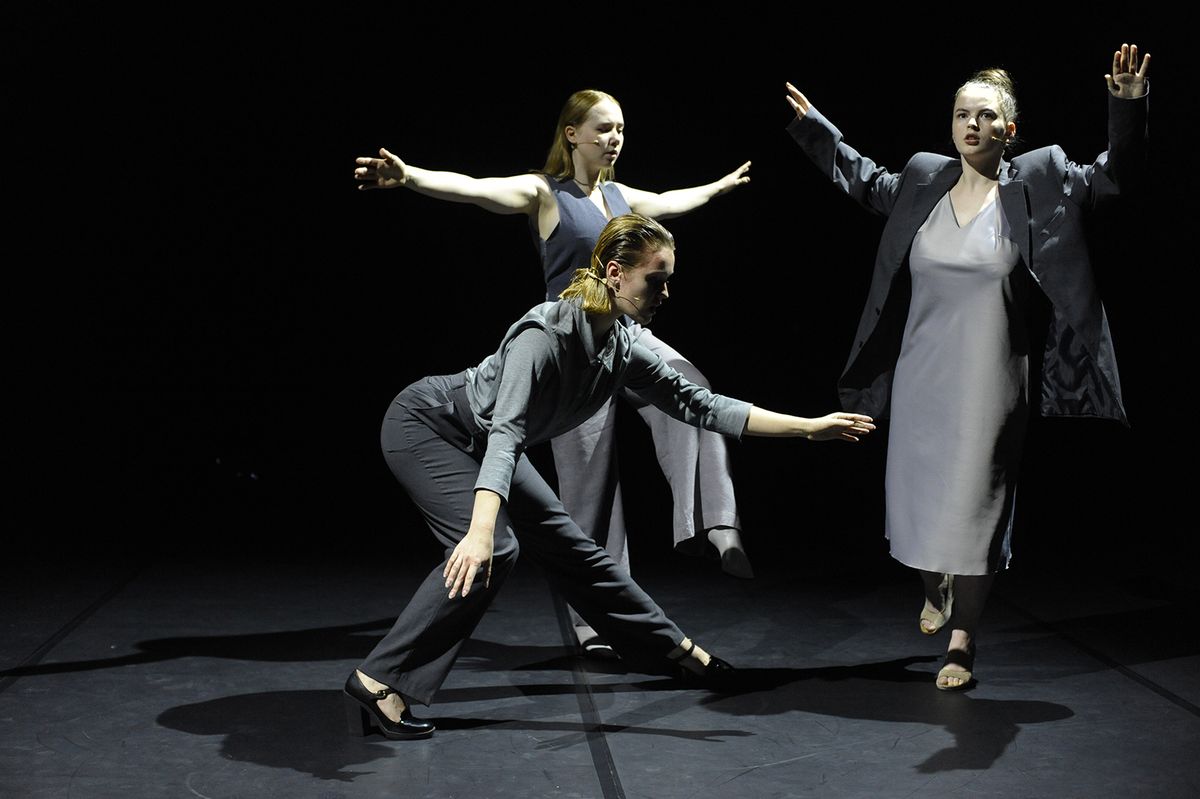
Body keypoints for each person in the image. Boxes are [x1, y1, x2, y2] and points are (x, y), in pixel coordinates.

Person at [344, 213, 875, 739]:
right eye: (656, 281)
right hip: (429, 426)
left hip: (483, 441)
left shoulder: (622, 348)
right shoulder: (543, 334)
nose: (665, 294)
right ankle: (379, 679)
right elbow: (506, 434)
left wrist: (808, 428)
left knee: (574, 549)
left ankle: (675, 650)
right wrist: (480, 532)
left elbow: (702, 405)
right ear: (615, 273)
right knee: (495, 549)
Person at [784, 42, 1149, 690]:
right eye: (961, 114)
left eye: (985, 115)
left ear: (1010, 129)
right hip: (921, 372)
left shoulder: (1039, 179)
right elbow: (864, 180)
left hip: (993, 377)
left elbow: (1111, 177)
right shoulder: (924, 178)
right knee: (916, 499)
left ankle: (963, 641)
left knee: (978, 506)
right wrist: (817, 131)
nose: (971, 124)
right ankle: (934, 586)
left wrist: (1127, 106)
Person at [353, 89, 753, 657]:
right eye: (604, 128)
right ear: (573, 133)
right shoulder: (545, 193)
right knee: (588, 482)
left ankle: (718, 523)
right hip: (569, 348)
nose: (615, 139)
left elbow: (670, 200)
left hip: (627, 336)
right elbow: (474, 188)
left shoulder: (620, 198)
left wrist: (718, 187)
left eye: (621, 129)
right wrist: (410, 176)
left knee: (693, 389)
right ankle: (596, 625)